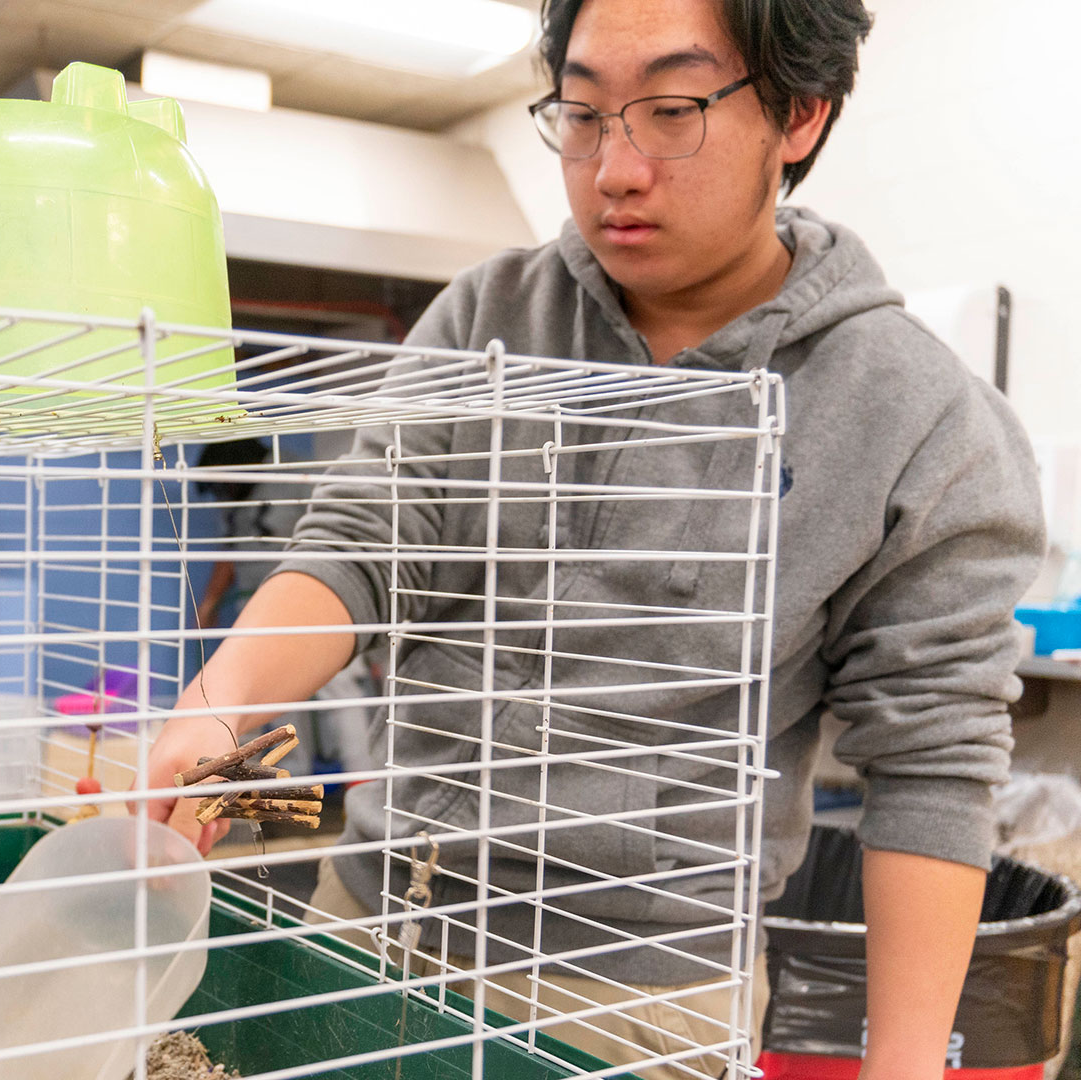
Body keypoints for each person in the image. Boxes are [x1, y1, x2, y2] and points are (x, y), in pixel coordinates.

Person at [144, 1, 1045, 1077]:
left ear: (801, 114)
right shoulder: (490, 316)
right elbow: (367, 540)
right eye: (580, 112)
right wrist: (220, 701)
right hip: (381, 919)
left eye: (670, 110)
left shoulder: (916, 415)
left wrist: (902, 1067)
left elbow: (932, 770)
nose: (613, 168)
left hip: (635, 1002)